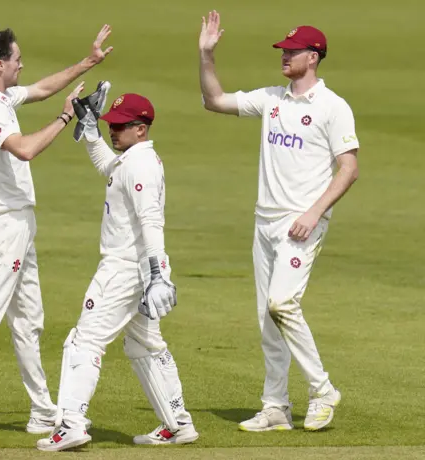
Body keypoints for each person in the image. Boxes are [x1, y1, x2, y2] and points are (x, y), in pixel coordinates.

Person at [0, 26, 113, 440]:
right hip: (6, 222)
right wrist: (68, 116)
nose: (21, 64)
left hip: (19, 221)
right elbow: (25, 149)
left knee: (29, 320)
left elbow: (41, 89)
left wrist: (88, 62)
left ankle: (42, 410)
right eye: (16, 59)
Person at [199, 11, 360, 431]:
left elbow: (349, 168)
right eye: (283, 51)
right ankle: (276, 407)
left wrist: (314, 212)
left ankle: (322, 390)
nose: (285, 56)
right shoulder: (273, 98)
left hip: (302, 223)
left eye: (292, 52)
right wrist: (206, 56)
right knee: (266, 317)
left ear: (314, 56)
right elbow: (214, 101)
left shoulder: (333, 107)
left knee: (281, 303)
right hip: (264, 221)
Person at [37, 87, 199, 452]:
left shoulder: (140, 165)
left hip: (125, 268)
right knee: (144, 344)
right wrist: (91, 131)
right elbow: (107, 167)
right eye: (112, 124)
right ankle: (178, 423)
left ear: (141, 129)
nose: (115, 130)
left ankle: (71, 425)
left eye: (121, 126)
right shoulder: (132, 160)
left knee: (84, 341)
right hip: (135, 268)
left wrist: (158, 275)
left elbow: (150, 221)